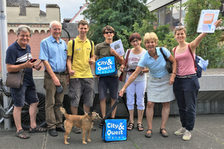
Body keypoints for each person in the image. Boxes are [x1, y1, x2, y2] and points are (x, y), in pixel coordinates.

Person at [119, 32, 176, 138]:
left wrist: (173, 75)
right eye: (148, 43)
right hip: (153, 80)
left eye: (152, 42)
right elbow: (134, 74)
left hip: (166, 79)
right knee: (150, 103)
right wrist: (124, 88)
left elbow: (174, 62)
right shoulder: (144, 57)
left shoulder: (163, 51)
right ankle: (149, 128)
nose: (150, 44)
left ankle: (163, 127)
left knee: (166, 103)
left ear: (156, 43)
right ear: (145, 44)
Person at [173, 19, 222, 141]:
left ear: (185, 35)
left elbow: (201, 36)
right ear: (175, 36)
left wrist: (212, 27)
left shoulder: (191, 46)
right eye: (178, 34)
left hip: (190, 80)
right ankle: (184, 126)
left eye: (182, 33)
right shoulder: (174, 50)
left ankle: (189, 129)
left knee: (190, 106)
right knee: (181, 106)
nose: (180, 35)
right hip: (178, 80)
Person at [6, 25, 45, 139]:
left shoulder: (27, 47)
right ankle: (19, 130)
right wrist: (24, 65)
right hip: (18, 80)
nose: (25, 38)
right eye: (23, 35)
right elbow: (9, 68)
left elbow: (27, 62)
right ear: (17, 35)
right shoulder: (12, 49)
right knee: (18, 105)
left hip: (28, 79)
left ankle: (33, 126)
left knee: (34, 102)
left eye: (27, 36)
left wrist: (34, 66)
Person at [39, 20, 67, 137]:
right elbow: (45, 61)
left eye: (59, 29)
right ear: (50, 30)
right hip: (51, 76)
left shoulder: (63, 43)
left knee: (60, 102)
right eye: (55, 29)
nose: (57, 31)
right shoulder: (45, 42)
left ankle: (59, 124)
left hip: (63, 75)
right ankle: (51, 126)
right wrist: (54, 77)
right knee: (50, 102)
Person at [66, 20, 95, 133]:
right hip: (76, 75)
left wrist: (92, 60)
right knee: (75, 99)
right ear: (78, 29)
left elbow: (93, 57)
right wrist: (70, 69)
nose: (83, 30)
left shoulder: (91, 43)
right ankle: (75, 123)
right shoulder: (72, 43)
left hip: (88, 75)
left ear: (88, 29)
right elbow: (68, 59)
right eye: (81, 28)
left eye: (85, 28)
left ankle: (86, 121)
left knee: (88, 99)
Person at [95, 25, 124, 123]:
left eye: (111, 32)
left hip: (113, 76)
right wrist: (96, 71)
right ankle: (104, 118)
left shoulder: (117, 45)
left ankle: (112, 118)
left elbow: (122, 62)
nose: (109, 34)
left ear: (113, 34)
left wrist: (115, 54)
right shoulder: (98, 46)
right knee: (102, 97)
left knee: (114, 97)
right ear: (104, 34)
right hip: (102, 77)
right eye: (107, 33)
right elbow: (95, 60)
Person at [120, 33, 148, 131]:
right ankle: (131, 121)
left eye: (137, 40)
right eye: (133, 41)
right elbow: (124, 63)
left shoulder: (145, 52)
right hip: (129, 78)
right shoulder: (128, 52)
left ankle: (139, 122)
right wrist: (123, 67)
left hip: (141, 79)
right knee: (130, 100)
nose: (135, 43)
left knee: (140, 100)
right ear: (131, 42)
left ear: (140, 41)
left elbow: (148, 68)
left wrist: (140, 70)